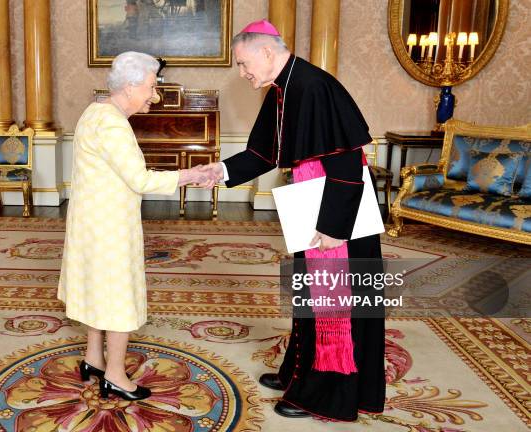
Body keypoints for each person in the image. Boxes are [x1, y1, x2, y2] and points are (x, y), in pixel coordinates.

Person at [199, 20, 386, 421]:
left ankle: (326, 395)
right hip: (312, 198)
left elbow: (348, 163)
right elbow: (265, 153)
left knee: (333, 305)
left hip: (338, 211)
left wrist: (335, 229)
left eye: (244, 63)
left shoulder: (315, 86)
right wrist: (221, 171)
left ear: (266, 52)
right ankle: (298, 371)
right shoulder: (283, 87)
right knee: (308, 297)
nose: (243, 72)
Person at [57, 51, 209, 401]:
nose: (154, 96)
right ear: (129, 87)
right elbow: (139, 180)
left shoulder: (94, 111)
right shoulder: (111, 122)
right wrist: (190, 175)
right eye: (150, 87)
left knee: (95, 288)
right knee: (117, 295)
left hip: (90, 221)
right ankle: (113, 374)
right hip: (109, 226)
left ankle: (93, 358)